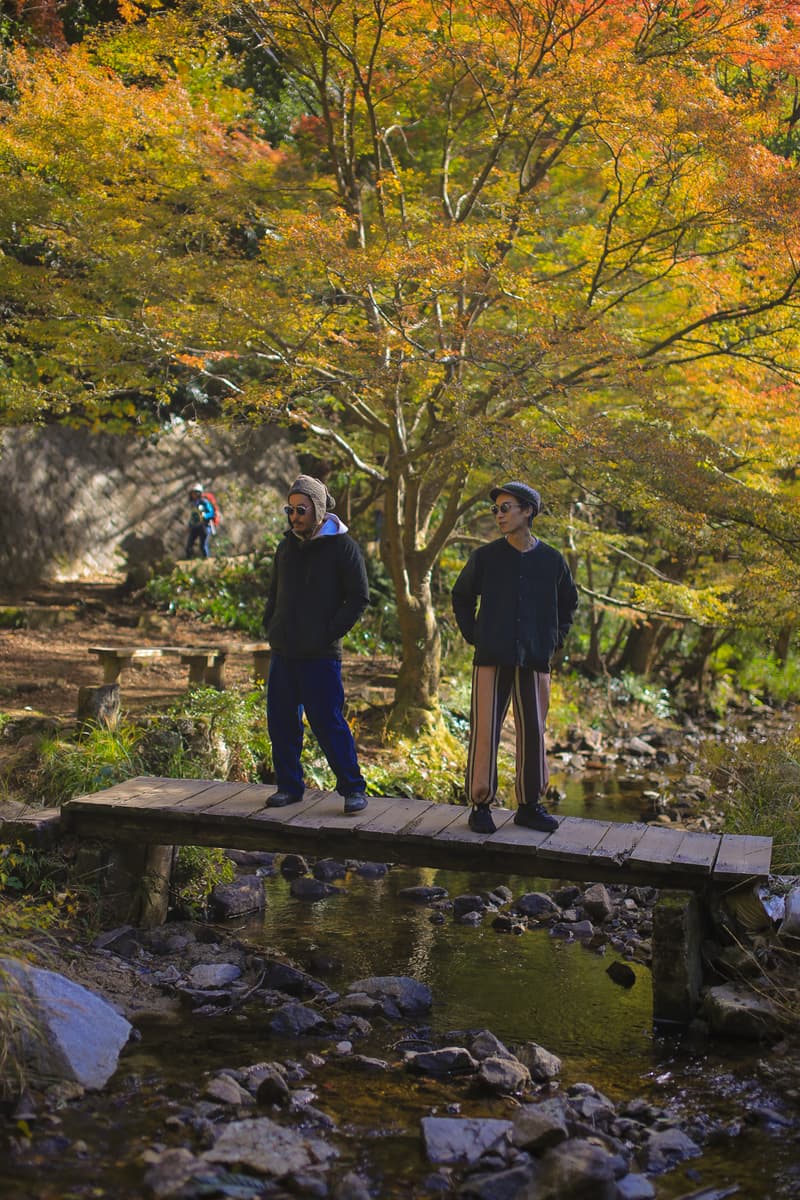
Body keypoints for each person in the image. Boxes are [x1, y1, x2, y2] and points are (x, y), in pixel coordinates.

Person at [452, 481, 579, 834]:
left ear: (528, 511)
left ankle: (529, 805)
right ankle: (480, 805)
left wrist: (554, 640)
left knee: (533, 731)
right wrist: (475, 635)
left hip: (535, 657)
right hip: (491, 656)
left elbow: (569, 602)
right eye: (496, 510)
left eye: (506, 508)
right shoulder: (486, 557)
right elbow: (461, 596)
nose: (499, 515)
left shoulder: (553, 561)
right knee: (485, 731)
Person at [262, 474, 370, 815]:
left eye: (301, 510)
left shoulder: (343, 548)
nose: (295, 517)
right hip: (283, 652)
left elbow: (358, 598)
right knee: (281, 722)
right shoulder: (286, 546)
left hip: (320, 655)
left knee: (327, 722)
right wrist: (272, 626)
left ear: (318, 510)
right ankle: (289, 787)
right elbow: (273, 593)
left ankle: (353, 788)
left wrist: (328, 633)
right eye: (290, 510)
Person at [186, 484, 215, 559]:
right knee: (189, 544)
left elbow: (211, 513)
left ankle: (206, 560)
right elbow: (193, 516)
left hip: (204, 526)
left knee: (203, 545)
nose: (193, 495)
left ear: (198, 493)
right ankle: (189, 560)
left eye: (194, 493)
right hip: (195, 526)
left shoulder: (204, 502)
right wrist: (190, 524)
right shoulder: (193, 504)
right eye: (192, 493)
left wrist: (205, 515)